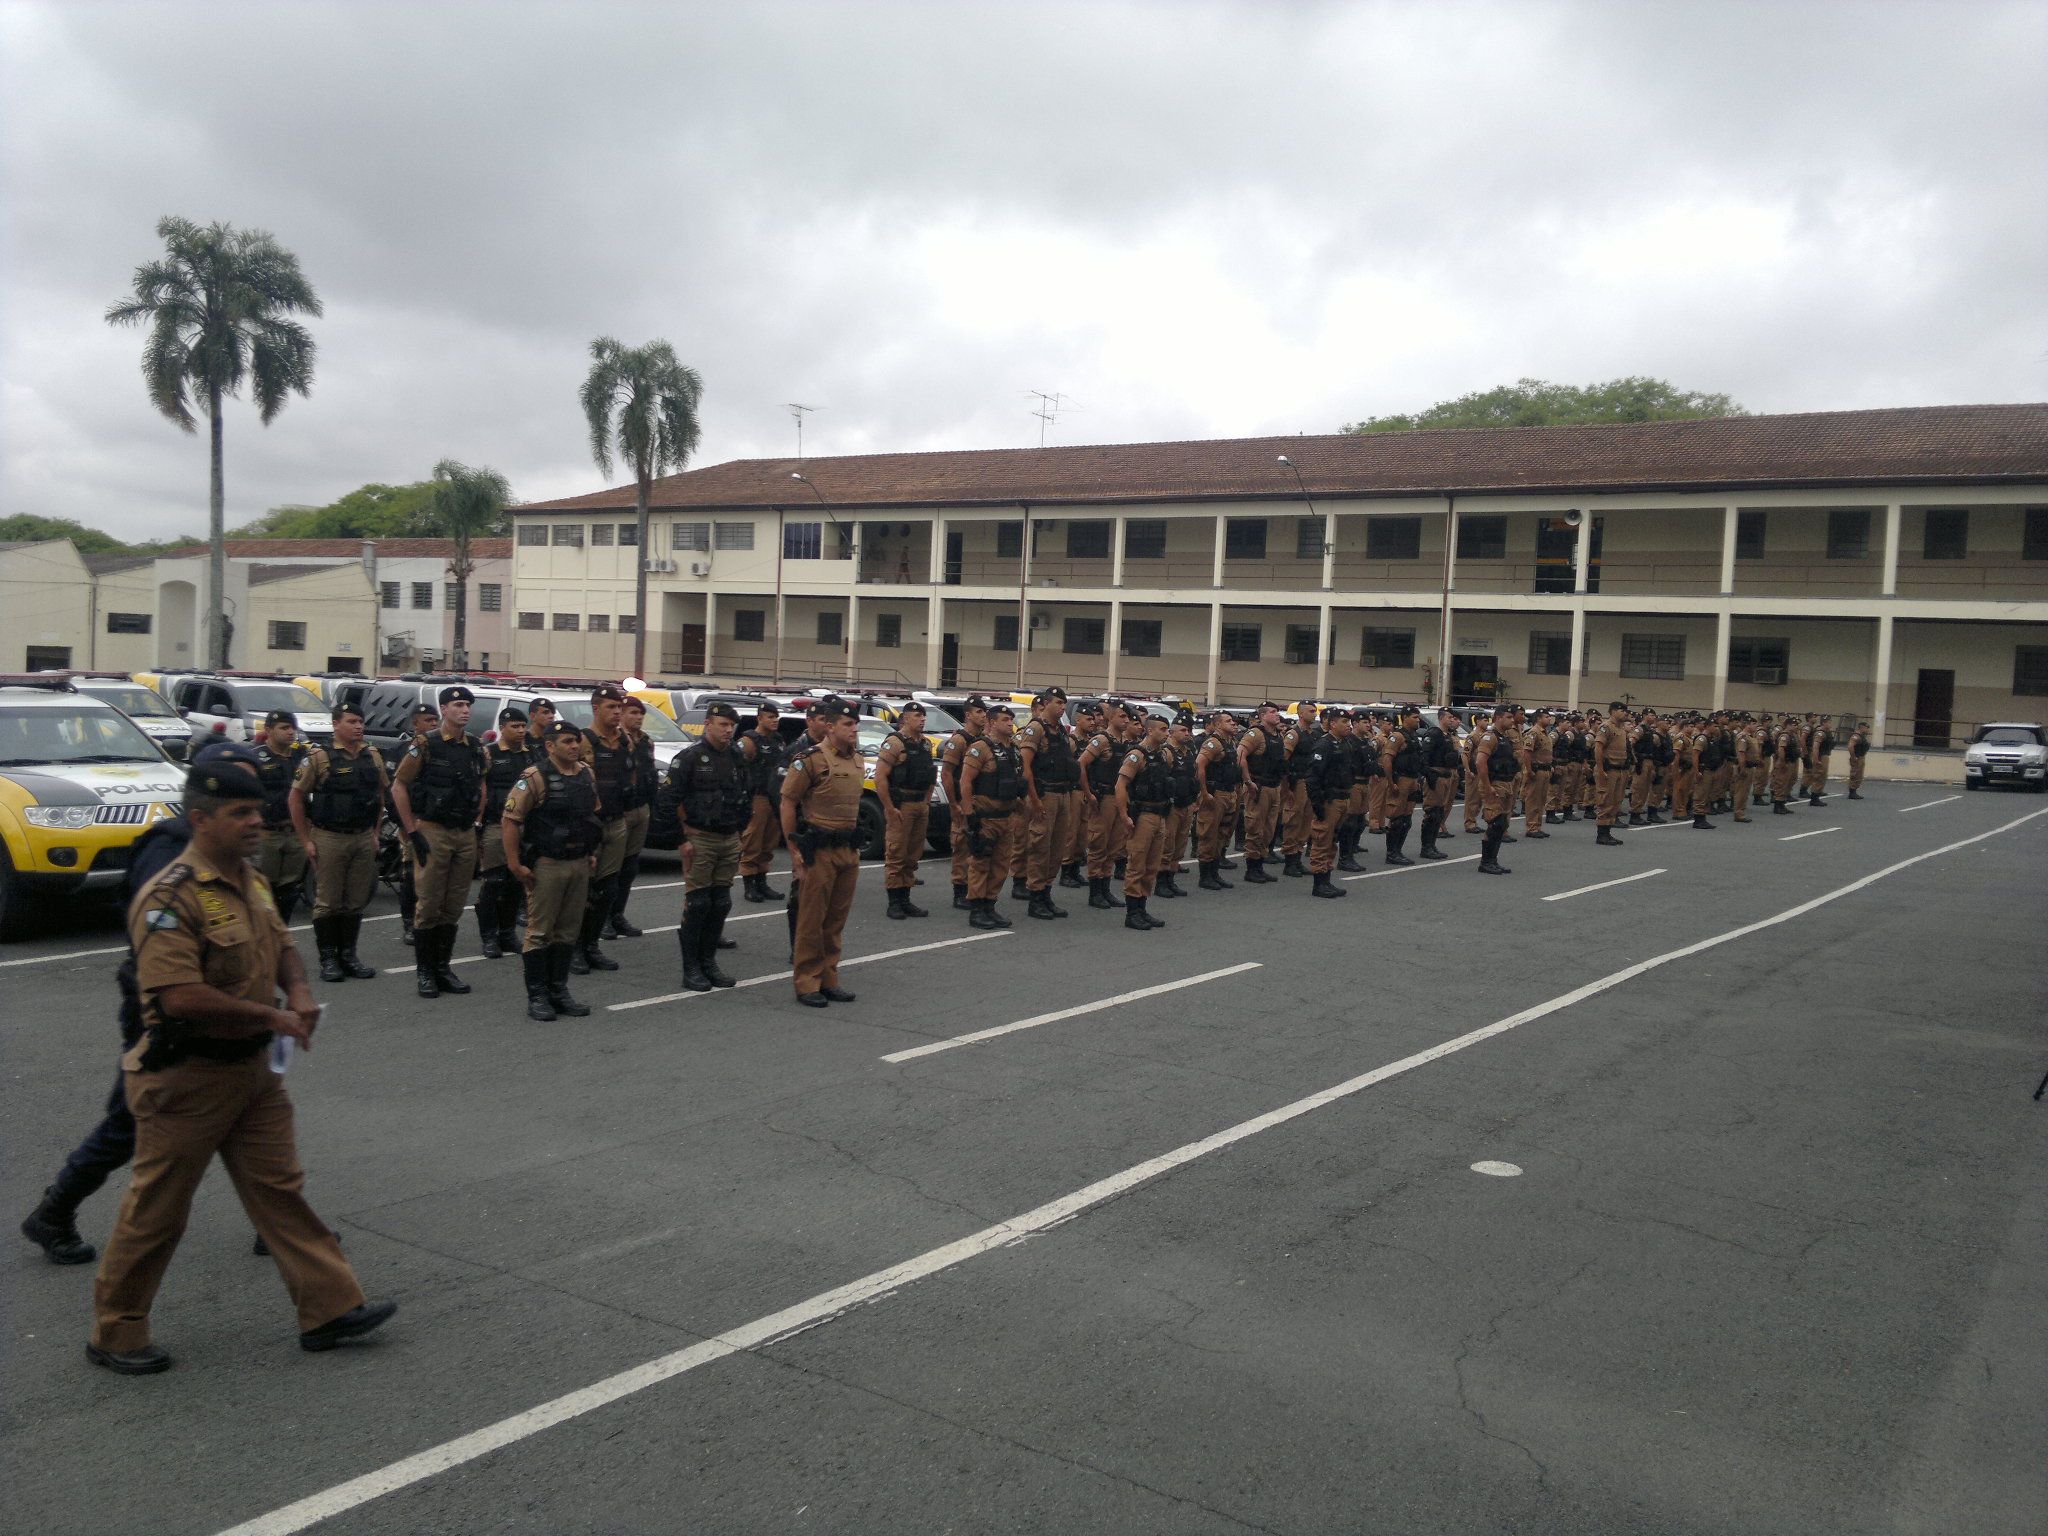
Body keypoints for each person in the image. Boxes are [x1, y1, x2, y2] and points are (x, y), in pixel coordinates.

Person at [86, 741, 395, 1374]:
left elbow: (281, 944)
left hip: (253, 1074)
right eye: (239, 813)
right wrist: (271, 1015)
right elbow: (178, 997)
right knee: (158, 1212)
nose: (256, 821)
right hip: (186, 1078)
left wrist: (301, 990)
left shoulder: (248, 879)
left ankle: (329, 1310)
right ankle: (116, 1332)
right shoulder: (171, 896)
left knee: (281, 1192)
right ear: (201, 819)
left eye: (257, 810)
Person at [501, 722, 599, 1021]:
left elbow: (592, 814)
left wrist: (592, 852)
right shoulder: (534, 777)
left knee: (568, 931)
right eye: (567, 741)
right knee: (540, 932)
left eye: (577, 741)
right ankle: (538, 996)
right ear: (550, 745)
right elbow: (511, 820)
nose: (574, 746)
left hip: (579, 862)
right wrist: (515, 863)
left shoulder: (586, 773)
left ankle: (559, 991)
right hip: (547, 864)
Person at [392, 685, 485, 998]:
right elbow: (399, 786)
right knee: (429, 904)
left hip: (463, 832)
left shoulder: (474, 746)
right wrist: (412, 831)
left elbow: (481, 785)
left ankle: (443, 967)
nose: (465, 710)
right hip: (432, 830)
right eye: (458, 704)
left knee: (454, 905)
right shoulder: (425, 744)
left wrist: (477, 822)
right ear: (443, 709)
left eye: (468, 705)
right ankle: (425, 972)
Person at [290, 703, 389, 982]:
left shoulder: (373, 756)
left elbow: (380, 795)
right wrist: (305, 839)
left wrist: (375, 832)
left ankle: (349, 956)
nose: (358, 726)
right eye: (351, 721)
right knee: (328, 902)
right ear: (335, 724)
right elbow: (296, 798)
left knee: (355, 901)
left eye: (360, 721)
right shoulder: (319, 757)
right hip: (329, 837)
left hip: (361, 837)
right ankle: (329, 959)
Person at [661, 701, 752, 992]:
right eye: (723, 725)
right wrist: (681, 840)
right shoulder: (689, 758)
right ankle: (692, 968)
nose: (728, 731)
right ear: (708, 724)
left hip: (728, 837)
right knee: (698, 903)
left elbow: (746, 794)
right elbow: (667, 801)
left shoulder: (736, 756)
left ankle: (709, 962)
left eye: (731, 726)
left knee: (720, 902)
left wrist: (741, 829)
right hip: (700, 837)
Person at [780, 699, 864, 1007]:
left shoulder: (857, 759)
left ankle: (829, 978)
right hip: (819, 849)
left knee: (835, 922)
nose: (854, 729)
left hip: (847, 849)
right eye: (848, 725)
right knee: (811, 921)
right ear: (829, 727)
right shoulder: (810, 760)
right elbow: (788, 802)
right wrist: (794, 849)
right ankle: (807, 983)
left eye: (856, 724)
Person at [574, 684, 634, 975]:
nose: (617, 713)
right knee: (583, 890)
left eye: (620, 707)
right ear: (596, 708)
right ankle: (574, 948)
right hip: (591, 825)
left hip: (617, 821)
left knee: (607, 888)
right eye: (612, 707)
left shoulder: (624, 741)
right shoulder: (583, 741)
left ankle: (591, 945)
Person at [475, 707, 538, 959]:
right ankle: (489, 936)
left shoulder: (530, 756)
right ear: (502, 727)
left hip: (524, 827)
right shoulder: (488, 754)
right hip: (494, 826)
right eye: (515, 726)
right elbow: (479, 788)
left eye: (523, 726)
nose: (521, 731)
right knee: (494, 882)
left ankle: (507, 933)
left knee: (515, 883)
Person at [958, 702, 1026, 930]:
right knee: (980, 864)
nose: (1010, 724)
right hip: (985, 817)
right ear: (991, 723)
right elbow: (965, 781)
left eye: (1011, 720)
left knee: (1000, 866)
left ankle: (990, 905)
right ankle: (977, 909)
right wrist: (969, 814)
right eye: (1004, 720)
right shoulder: (981, 747)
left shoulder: (1014, 749)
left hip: (1006, 817)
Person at [1017, 688, 1079, 919]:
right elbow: (1026, 767)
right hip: (1044, 796)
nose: (1063, 707)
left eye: (1064, 703)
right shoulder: (1036, 729)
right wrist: (1033, 799)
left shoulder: (1060, 730)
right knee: (1040, 847)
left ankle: (1046, 893)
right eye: (1058, 702)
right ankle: (1035, 898)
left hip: (1062, 794)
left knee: (1056, 848)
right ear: (1045, 704)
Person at [604, 696, 660, 939]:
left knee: (629, 867)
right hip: (621, 810)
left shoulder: (646, 741)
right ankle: (603, 917)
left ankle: (618, 915)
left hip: (641, 807)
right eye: (632, 712)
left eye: (641, 713)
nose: (637, 717)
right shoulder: (615, 741)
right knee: (611, 868)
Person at [1114, 711, 1175, 929]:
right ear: (1150, 730)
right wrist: (1124, 815)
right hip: (1143, 816)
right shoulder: (1137, 755)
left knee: (1151, 866)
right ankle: (1132, 913)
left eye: (1167, 729)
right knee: (1137, 864)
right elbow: (1120, 785)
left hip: (1160, 815)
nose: (1167, 733)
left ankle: (1142, 907)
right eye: (1163, 729)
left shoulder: (1163, 755)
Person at [875, 701, 935, 919]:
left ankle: (906, 899)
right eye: (917, 716)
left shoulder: (925, 744)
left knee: (912, 855)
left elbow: (930, 774)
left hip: (920, 805)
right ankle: (894, 902)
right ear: (905, 718)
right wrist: (889, 808)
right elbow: (880, 778)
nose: (922, 719)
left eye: (923, 716)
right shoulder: (895, 743)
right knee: (896, 854)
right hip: (902, 806)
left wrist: (927, 800)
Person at [251, 711, 310, 923]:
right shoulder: (255, 757)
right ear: (268, 731)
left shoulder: (301, 756)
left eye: (292, 728)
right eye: (284, 728)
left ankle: (282, 931)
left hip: (294, 832)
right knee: (264, 888)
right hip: (267, 832)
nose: (290, 732)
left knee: (290, 888)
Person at [390, 703, 438, 946]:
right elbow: (395, 789)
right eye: (428, 720)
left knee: (433, 876)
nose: (433, 724)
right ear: (415, 724)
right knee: (410, 874)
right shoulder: (403, 750)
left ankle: (429, 920)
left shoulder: (439, 748)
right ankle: (409, 923)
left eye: (435, 720)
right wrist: (405, 824)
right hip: (411, 822)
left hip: (433, 821)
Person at [1078, 703, 1132, 908]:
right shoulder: (1100, 740)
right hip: (1103, 798)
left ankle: (1105, 888)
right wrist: (1088, 793)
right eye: (1122, 716)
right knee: (1098, 844)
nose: (1126, 720)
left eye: (1128, 717)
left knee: (1114, 845)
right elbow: (1081, 764)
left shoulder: (1126, 741)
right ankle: (1095, 892)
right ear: (1110, 717)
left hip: (1118, 799)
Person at [938, 695, 988, 911]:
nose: (983, 715)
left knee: (978, 846)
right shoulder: (959, 741)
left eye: (984, 712)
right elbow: (947, 774)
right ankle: (960, 890)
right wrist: (953, 803)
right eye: (978, 712)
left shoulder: (984, 740)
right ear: (967, 715)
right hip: (961, 799)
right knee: (961, 846)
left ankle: (975, 889)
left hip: (981, 801)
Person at [1302, 708, 1354, 899]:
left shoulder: (1345, 743)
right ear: (1332, 724)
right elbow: (1313, 776)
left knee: (1332, 841)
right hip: (1328, 800)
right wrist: (1317, 803)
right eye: (1344, 722)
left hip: (1342, 798)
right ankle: (1319, 883)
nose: (1348, 725)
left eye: (1349, 722)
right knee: (1322, 840)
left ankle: (1327, 879)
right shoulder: (1324, 745)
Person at [739, 702, 787, 901]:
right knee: (753, 841)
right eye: (770, 717)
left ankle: (762, 882)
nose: (774, 720)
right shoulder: (749, 741)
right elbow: (738, 768)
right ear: (759, 718)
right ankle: (749, 885)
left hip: (775, 797)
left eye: (776, 717)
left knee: (769, 842)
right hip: (757, 796)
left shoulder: (778, 740)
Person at [1236, 702, 1288, 884]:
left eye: (1277, 712)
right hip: (1259, 787)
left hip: (1274, 787)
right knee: (1255, 828)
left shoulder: (1278, 735)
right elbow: (1240, 755)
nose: (1277, 715)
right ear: (1263, 715)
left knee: (1268, 830)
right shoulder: (1255, 733)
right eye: (1273, 712)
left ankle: (1260, 865)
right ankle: (1251, 869)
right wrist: (1248, 781)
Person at [1193, 708, 1241, 890]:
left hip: (1229, 792)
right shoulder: (1214, 742)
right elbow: (1200, 766)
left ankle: (1215, 873)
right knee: (1209, 834)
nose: (1233, 724)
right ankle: (1205, 876)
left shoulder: (1231, 742)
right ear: (1218, 724)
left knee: (1221, 834)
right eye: (1228, 721)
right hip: (1216, 793)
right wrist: (1204, 793)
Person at [1472, 704, 1520, 875]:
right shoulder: (1490, 737)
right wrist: (1487, 786)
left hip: (1505, 783)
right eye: (1508, 717)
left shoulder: (1504, 738)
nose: (1512, 720)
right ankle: (1486, 862)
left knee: (1502, 824)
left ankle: (1493, 860)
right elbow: (1480, 762)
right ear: (1498, 718)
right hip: (1494, 784)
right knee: (1495, 822)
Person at [1520, 709, 1555, 841]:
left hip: (1545, 770)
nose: (1549, 719)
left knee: (1541, 800)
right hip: (1536, 770)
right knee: (1533, 800)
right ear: (1539, 718)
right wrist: (1529, 770)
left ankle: (1537, 826)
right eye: (1546, 717)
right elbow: (1527, 753)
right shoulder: (1533, 733)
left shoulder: (1545, 733)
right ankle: (1532, 827)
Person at [1805, 715, 1834, 806]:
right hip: (1820, 756)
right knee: (1819, 776)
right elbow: (1815, 747)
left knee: (1822, 776)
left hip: (1825, 755)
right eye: (1829, 722)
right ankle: (1814, 798)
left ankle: (1817, 795)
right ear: (1824, 722)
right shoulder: (1820, 733)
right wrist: (1816, 759)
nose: (1830, 724)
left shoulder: (1827, 732)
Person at [1847, 722, 1869, 798]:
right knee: (1855, 774)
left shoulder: (1861, 736)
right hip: (1857, 757)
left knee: (1859, 775)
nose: (1867, 730)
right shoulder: (1856, 736)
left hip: (1860, 757)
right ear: (1862, 727)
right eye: (1866, 728)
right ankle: (1852, 792)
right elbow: (1850, 747)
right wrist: (1853, 757)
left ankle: (1854, 791)